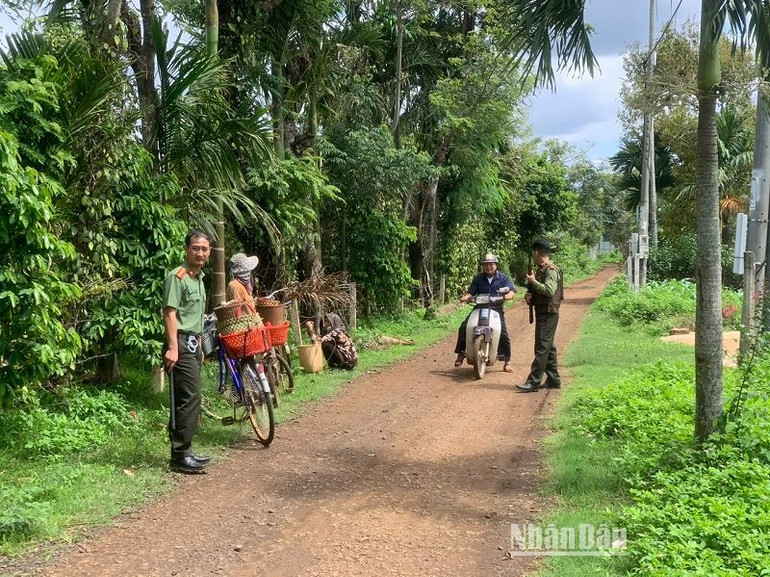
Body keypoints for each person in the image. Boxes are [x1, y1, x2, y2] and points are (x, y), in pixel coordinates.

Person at [163, 231, 212, 473]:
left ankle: (186, 451)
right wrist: (173, 347)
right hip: (180, 344)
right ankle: (180, 455)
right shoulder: (178, 277)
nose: (199, 252)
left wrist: (200, 344)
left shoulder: (199, 279)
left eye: (204, 249)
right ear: (186, 249)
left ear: (209, 252)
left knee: (192, 398)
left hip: (193, 343)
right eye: (195, 248)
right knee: (188, 398)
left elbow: (196, 317)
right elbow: (170, 313)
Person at [454, 253, 516, 372]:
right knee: (464, 327)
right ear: (483, 266)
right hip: (479, 307)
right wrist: (466, 297)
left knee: (503, 333)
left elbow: (511, 291)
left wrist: (507, 296)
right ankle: (461, 353)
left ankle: (507, 362)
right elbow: (471, 292)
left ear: (496, 265)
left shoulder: (503, 278)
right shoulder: (478, 278)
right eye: (485, 265)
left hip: (496, 309)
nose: (488, 267)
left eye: (491, 264)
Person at [516, 240, 564, 393]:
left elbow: (549, 290)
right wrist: (531, 295)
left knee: (542, 347)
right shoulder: (542, 269)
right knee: (548, 347)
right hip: (544, 311)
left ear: (536, 253)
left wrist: (533, 282)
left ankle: (534, 381)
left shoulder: (550, 270)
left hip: (548, 312)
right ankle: (553, 379)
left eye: (533, 253)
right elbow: (540, 291)